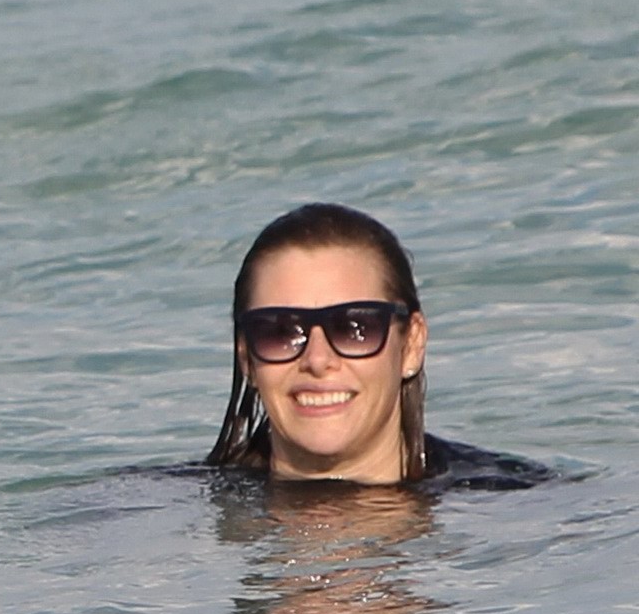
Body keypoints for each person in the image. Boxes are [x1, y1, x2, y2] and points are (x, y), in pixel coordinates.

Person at [206, 202, 554, 488]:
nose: (317, 359)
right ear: (247, 358)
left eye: (355, 326)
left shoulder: (519, 505)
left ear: (411, 345)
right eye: (281, 331)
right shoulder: (172, 509)